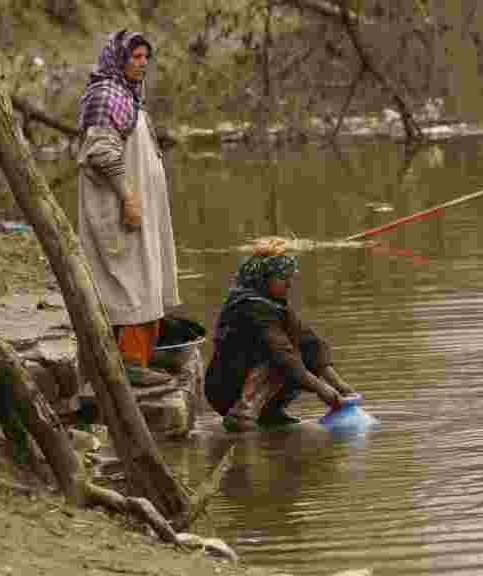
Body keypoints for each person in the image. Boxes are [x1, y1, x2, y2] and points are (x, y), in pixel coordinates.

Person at [76, 30, 180, 371]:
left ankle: (137, 364)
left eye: (146, 57)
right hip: (119, 209)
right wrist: (128, 197)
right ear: (119, 58)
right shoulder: (106, 95)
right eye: (136, 57)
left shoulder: (130, 96)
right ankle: (129, 368)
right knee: (129, 286)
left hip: (137, 209)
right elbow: (101, 152)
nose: (143, 63)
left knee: (145, 284)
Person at [205, 239, 357, 431]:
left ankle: (270, 413)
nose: (289, 284)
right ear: (264, 277)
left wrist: (342, 387)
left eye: (290, 277)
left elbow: (310, 343)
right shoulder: (249, 306)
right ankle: (242, 414)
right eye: (283, 278)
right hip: (226, 388)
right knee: (282, 360)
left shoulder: (273, 303)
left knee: (303, 350)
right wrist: (325, 392)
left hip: (247, 377)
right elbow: (284, 355)